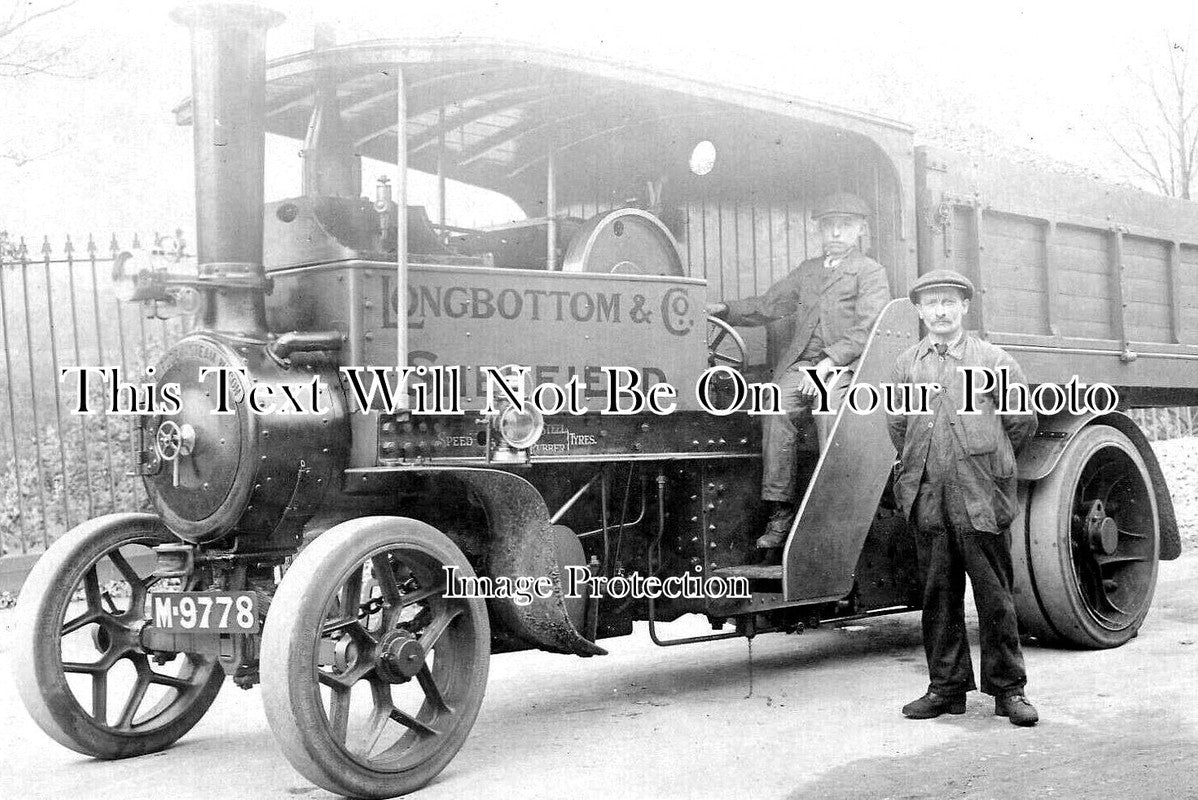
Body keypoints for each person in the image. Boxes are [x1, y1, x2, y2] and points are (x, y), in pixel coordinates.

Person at [886, 269, 1040, 727]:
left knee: (995, 597)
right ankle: (946, 689)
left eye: (949, 302)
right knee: (938, 596)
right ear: (918, 311)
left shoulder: (994, 361)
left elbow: (1021, 424)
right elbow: (898, 428)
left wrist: (985, 465)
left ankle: (1009, 692)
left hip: (979, 497)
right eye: (931, 303)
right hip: (928, 497)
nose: (940, 310)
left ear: (964, 308)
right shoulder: (906, 365)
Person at [705, 192, 891, 549]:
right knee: (775, 409)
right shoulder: (808, 271)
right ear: (820, 232)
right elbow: (767, 305)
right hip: (802, 365)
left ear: (861, 231)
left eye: (845, 226)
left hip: (847, 366)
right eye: (829, 226)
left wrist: (827, 364)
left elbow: (867, 329)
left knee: (829, 411)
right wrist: (724, 309)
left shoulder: (870, 273)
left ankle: (837, 513)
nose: (836, 233)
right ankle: (781, 515)